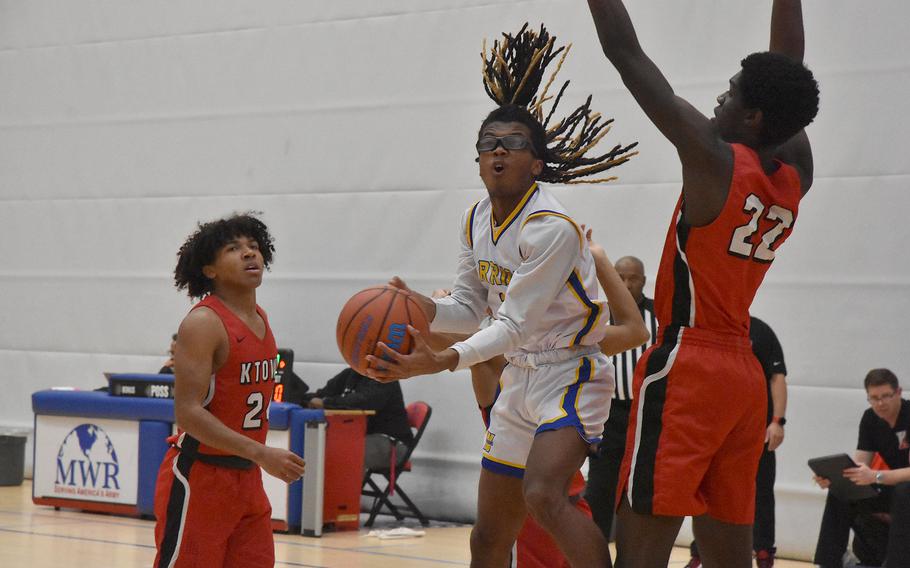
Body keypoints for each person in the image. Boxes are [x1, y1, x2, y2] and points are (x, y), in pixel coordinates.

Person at [365, 24, 641, 568]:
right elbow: (468, 309)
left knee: (544, 495)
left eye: (513, 144)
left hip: (571, 372)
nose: (497, 151)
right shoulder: (474, 217)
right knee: (489, 535)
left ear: (536, 163)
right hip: (517, 377)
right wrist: (419, 304)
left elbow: (512, 323)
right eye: (488, 143)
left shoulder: (551, 227)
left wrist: (443, 359)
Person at [586, 0, 819, 566]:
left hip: (688, 362)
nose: (721, 97)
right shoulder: (796, 172)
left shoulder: (713, 159)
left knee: (641, 545)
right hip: (744, 378)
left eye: (733, 91)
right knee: (727, 552)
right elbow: (785, 66)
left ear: (755, 117)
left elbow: (626, 55)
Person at [428, 226, 647, 568]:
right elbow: (443, 342)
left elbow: (636, 331)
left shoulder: (570, 345)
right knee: (495, 534)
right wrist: (435, 310)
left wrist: (599, 258)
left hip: (561, 506)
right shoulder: (492, 360)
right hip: (524, 514)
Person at [153, 213, 306, 568]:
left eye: (254, 247)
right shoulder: (203, 323)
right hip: (201, 475)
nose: (250, 254)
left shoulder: (261, 317)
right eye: (234, 249)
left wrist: (256, 457)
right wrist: (262, 452)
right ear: (210, 269)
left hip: (246, 478)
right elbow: (188, 413)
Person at [687, 316, 788, 568]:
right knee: (705, 490)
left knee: (760, 491)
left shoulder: (760, 330)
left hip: (755, 430)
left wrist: (777, 421)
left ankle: (763, 551)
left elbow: (777, 377)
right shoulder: (706, 327)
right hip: (712, 430)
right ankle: (700, 551)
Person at [585, 255, 658, 542]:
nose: (627, 285)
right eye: (621, 277)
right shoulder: (596, 315)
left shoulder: (660, 314)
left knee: (640, 490)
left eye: (633, 278)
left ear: (644, 280)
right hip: (608, 415)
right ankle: (594, 553)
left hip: (647, 415)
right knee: (599, 489)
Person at [813, 368, 910, 568]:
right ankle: (829, 561)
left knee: (904, 491)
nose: (880, 403)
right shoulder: (870, 419)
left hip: (904, 490)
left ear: (899, 392)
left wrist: (875, 476)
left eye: (886, 396)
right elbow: (859, 464)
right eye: (874, 398)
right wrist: (836, 478)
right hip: (890, 486)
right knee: (841, 493)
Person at [305, 367, 413, 471]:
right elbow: (322, 394)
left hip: (392, 443)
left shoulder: (385, 377)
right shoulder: (350, 373)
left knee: (341, 452)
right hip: (364, 436)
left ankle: (347, 489)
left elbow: (364, 402)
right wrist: (303, 399)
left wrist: (325, 402)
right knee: (320, 446)